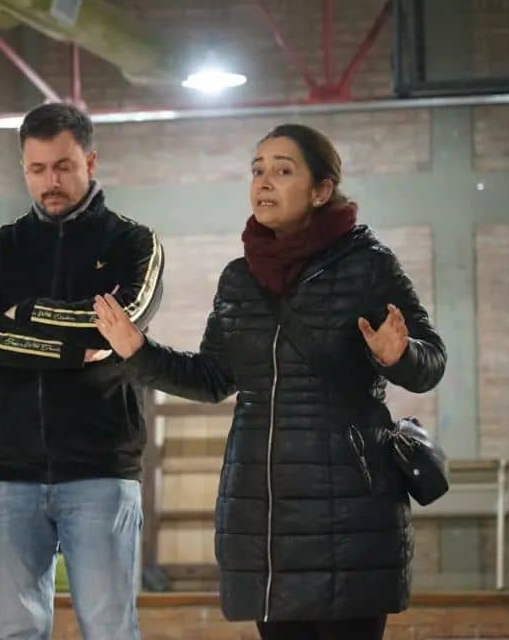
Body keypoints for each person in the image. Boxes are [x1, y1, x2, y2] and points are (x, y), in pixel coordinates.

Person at [93, 124, 446, 640]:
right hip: (262, 514)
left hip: (350, 512)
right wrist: (138, 352)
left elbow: (431, 361)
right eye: (257, 170)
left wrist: (399, 355)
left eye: (282, 170)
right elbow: (213, 377)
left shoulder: (369, 267)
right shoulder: (240, 278)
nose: (263, 181)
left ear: (321, 190)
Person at [0, 102, 164, 640]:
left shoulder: (134, 244)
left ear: (90, 162)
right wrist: (71, 351)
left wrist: (22, 314)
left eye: (64, 167)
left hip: (100, 467)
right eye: (38, 169)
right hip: (5, 467)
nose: (51, 182)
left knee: (110, 630)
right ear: (24, 169)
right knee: (16, 631)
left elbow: (119, 326)